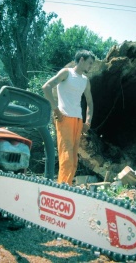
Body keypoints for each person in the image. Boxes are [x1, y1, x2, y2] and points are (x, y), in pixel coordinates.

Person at [42, 50, 95, 185]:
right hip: (64, 118)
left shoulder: (85, 80)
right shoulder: (66, 73)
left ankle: (68, 185)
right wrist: (56, 109)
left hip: (78, 120)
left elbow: (90, 102)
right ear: (81, 60)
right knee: (66, 155)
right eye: (89, 63)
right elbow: (46, 87)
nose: (91, 66)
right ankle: (62, 187)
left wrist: (87, 121)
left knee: (74, 157)